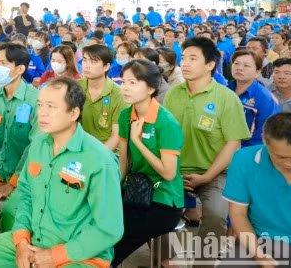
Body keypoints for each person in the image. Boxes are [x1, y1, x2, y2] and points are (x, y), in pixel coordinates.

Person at [0, 78, 124, 267]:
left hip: (79, 254)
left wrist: (57, 255)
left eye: (51, 106)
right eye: (39, 105)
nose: (42, 113)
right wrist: (21, 241)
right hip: (35, 241)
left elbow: (109, 228)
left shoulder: (99, 160)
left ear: (74, 113)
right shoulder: (39, 145)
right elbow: (26, 196)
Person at [162, 36, 250, 257]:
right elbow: (164, 135)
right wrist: (171, 172)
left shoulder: (226, 98)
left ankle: (203, 262)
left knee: (214, 215)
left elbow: (234, 143)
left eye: (193, 58)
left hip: (214, 173)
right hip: (175, 171)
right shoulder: (174, 94)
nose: (186, 63)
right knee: (156, 212)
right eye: (184, 58)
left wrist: (207, 176)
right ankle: (165, 260)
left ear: (210, 65)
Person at [112, 60, 184, 266]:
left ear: (151, 88)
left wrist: (138, 141)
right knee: (102, 223)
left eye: (133, 83)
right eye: (123, 81)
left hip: (163, 199)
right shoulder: (126, 115)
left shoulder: (166, 123)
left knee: (114, 240)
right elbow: (124, 161)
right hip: (134, 192)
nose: (124, 87)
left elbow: (169, 174)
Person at [0, 43, 41, 235]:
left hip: (24, 178)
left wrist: (12, 183)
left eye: (3, 63)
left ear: (20, 69)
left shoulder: (36, 100)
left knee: (11, 213)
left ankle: (9, 255)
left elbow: (34, 147)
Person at [222, 112, 291, 267]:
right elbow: (238, 213)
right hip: (260, 239)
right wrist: (258, 255)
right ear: (264, 141)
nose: (289, 164)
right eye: (280, 157)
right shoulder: (244, 159)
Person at [78, 44, 127, 151]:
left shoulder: (118, 94)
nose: (86, 65)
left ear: (106, 67)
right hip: (79, 148)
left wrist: (96, 158)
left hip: (108, 151)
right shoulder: (75, 87)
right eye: (85, 60)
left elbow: (115, 137)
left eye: (93, 62)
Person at [228, 49, 281, 147]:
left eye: (246, 65)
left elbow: (265, 135)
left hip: (247, 152)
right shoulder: (226, 91)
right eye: (236, 63)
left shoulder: (265, 98)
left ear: (257, 72)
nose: (239, 68)